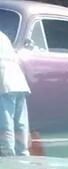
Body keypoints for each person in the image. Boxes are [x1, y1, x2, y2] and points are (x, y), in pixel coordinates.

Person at [0, 27, 29, 157]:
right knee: (20, 122)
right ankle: (23, 154)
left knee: (5, 123)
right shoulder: (3, 36)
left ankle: (8, 156)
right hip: (17, 79)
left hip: (3, 81)